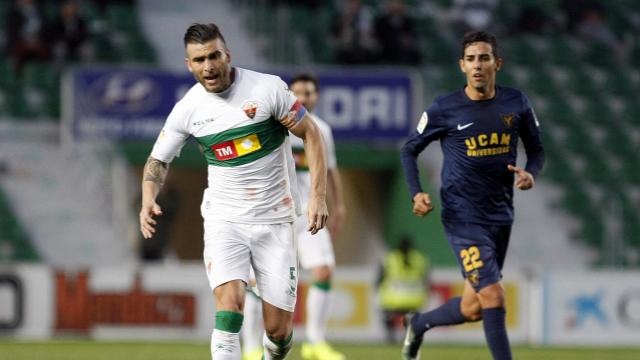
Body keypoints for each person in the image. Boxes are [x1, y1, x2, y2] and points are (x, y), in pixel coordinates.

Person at [139, 23, 328, 360]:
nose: (208, 66)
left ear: (227, 55)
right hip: (224, 220)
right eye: (199, 60)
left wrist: (318, 196)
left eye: (214, 56)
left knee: (278, 331)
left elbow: (311, 133)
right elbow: (157, 161)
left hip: (275, 220)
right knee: (229, 308)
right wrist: (147, 199)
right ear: (189, 65)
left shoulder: (267, 89)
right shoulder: (188, 109)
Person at [399, 31, 544, 360]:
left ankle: (419, 323)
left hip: (501, 216)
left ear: (497, 63)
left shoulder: (516, 102)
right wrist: (416, 193)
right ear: (462, 65)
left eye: (484, 58)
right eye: (471, 59)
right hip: (462, 217)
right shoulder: (445, 109)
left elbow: (536, 151)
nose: (478, 65)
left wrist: (530, 173)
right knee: (494, 296)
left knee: (473, 307)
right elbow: (409, 150)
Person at [242, 74, 347, 360]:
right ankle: (251, 347)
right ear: (289, 93)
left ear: (316, 96)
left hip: (308, 214)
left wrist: (338, 206)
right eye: (298, 91)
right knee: (255, 283)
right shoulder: (273, 123)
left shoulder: (321, 130)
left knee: (323, 271)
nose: (304, 96)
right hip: (272, 214)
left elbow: (330, 170)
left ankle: (315, 341)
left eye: (310, 92)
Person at [376, 235, 428, 344]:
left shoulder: (390, 258)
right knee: (410, 319)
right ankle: (408, 337)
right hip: (414, 299)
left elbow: (380, 278)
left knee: (386, 315)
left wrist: (377, 286)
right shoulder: (419, 258)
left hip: (393, 300)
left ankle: (391, 337)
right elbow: (426, 279)